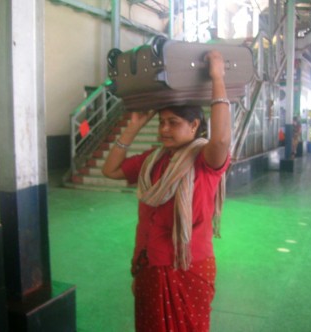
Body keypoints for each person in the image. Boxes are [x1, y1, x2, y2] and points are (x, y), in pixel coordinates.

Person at [101, 50, 231, 332]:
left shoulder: (205, 161)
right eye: (161, 122)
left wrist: (217, 78)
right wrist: (134, 126)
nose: (164, 129)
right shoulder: (153, 160)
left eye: (173, 123)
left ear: (194, 125)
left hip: (188, 268)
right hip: (148, 264)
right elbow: (109, 170)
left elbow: (220, 139)